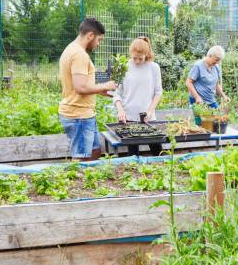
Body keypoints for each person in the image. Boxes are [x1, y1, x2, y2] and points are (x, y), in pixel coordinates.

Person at [58, 18, 116, 161]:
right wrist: (105, 85)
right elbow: (80, 87)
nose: (98, 44)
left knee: (95, 152)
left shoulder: (72, 49)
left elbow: (80, 85)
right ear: (90, 35)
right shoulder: (79, 54)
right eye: (99, 39)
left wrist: (100, 91)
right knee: (82, 160)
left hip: (84, 114)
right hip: (79, 116)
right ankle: (76, 182)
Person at [113, 36, 163, 156]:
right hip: (128, 118)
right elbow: (116, 93)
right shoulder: (122, 67)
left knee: (159, 153)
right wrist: (120, 110)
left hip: (148, 119)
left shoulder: (154, 68)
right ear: (130, 53)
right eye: (134, 58)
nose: (137, 61)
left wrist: (150, 111)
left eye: (140, 59)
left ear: (147, 54)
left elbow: (158, 92)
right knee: (133, 157)